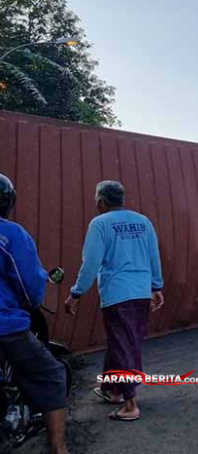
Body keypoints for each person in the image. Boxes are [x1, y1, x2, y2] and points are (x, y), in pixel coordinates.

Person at [65, 181, 164, 421]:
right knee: (123, 341)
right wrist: (156, 286)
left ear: (101, 201)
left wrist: (76, 293)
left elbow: (91, 263)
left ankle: (130, 404)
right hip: (140, 293)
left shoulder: (100, 224)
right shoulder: (143, 221)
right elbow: (153, 255)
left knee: (122, 344)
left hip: (117, 295)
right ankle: (112, 389)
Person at [0, 174, 69, 454]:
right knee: (52, 375)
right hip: (6, 326)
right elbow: (30, 284)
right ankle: (59, 447)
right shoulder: (12, 234)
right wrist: (33, 300)